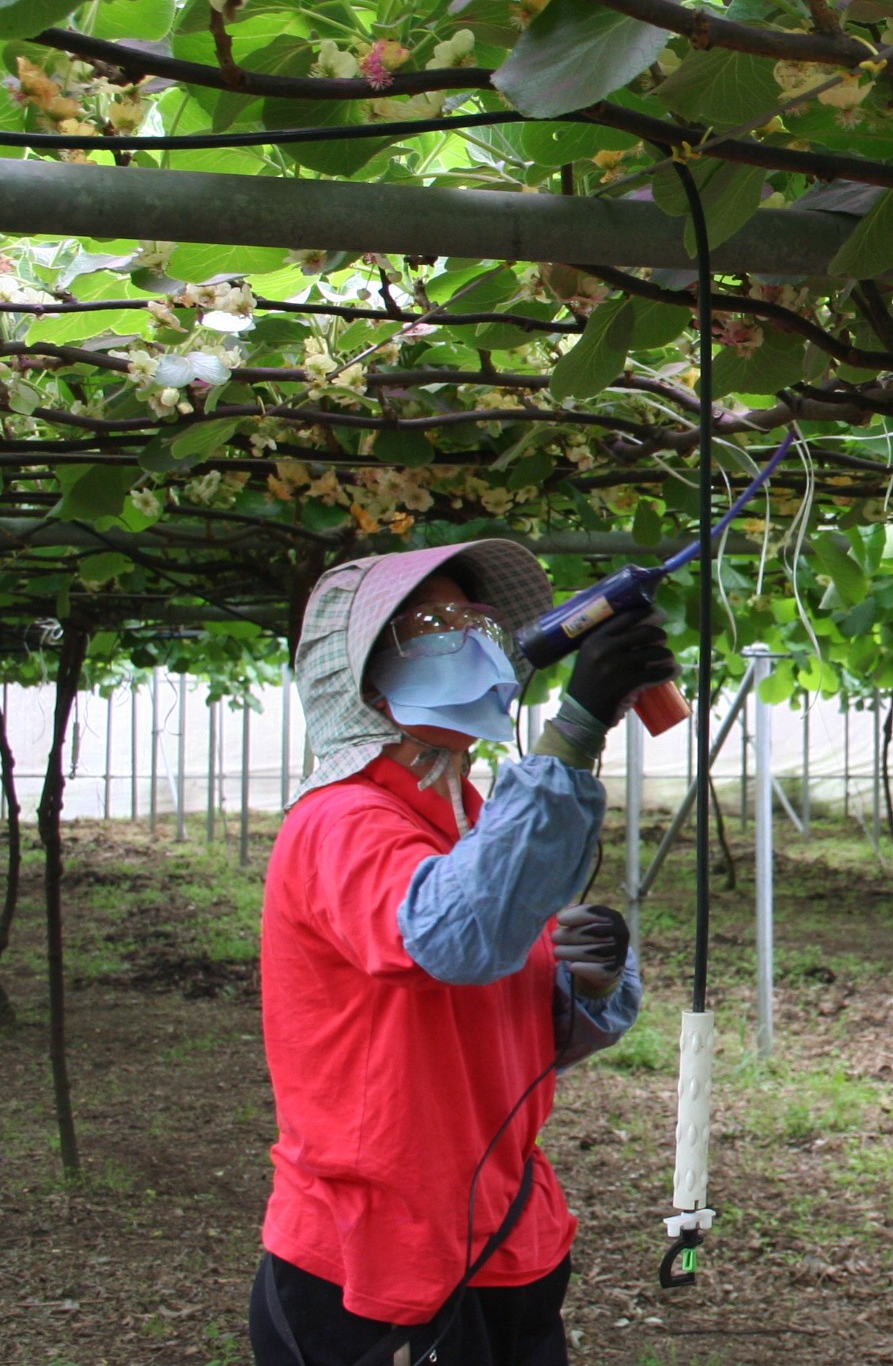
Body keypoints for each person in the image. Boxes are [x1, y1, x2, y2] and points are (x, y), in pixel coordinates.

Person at [251, 540, 677, 1366]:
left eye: (481, 623)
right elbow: (457, 939)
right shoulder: (341, 821)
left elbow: (516, 1037)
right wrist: (577, 727)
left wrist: (584, 980)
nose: (479, 642)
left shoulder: (472, 817)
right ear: (367, 679)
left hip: (506, 1235)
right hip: (377, 1257)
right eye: (439, 625)